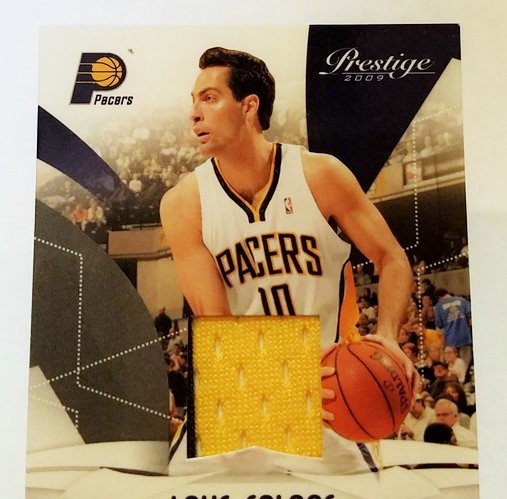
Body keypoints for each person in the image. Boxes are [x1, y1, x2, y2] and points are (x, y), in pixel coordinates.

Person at [160, 46, 413, 471]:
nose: (194, 113)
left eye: (209, 98)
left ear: (249, 107)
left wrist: (387, 336)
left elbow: (392, 258)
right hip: (235, 394)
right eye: (193, 101)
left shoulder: (320, 174)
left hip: (328, 395)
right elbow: (216, 325)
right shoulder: (184, 202)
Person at [434, 288, 473, 366]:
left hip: (450, 340)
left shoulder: (439, 305)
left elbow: (439, 325)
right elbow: (471, 313)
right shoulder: (462, 300)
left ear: (439, 298)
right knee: (466, 364)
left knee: (454, 365)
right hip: (465, 337)